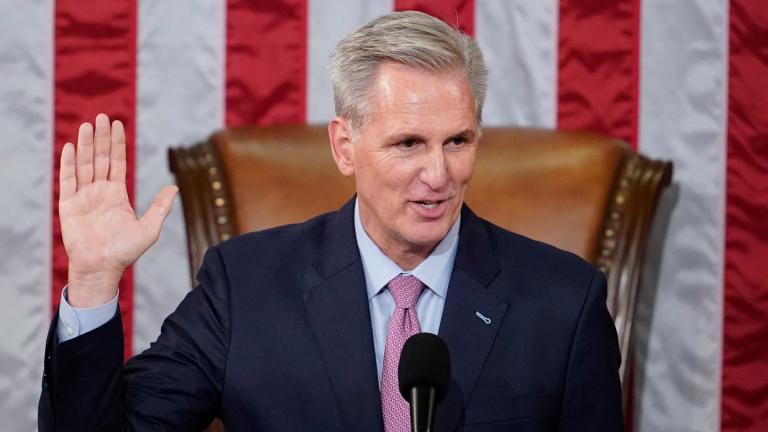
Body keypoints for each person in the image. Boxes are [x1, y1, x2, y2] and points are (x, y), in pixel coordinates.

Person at [39, 11, 624, 432]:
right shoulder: (244, 286)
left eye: (458, 141)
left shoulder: (563, 302)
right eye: (408, 143)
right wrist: (92, 283)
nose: (439, 174)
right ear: (345, 147)